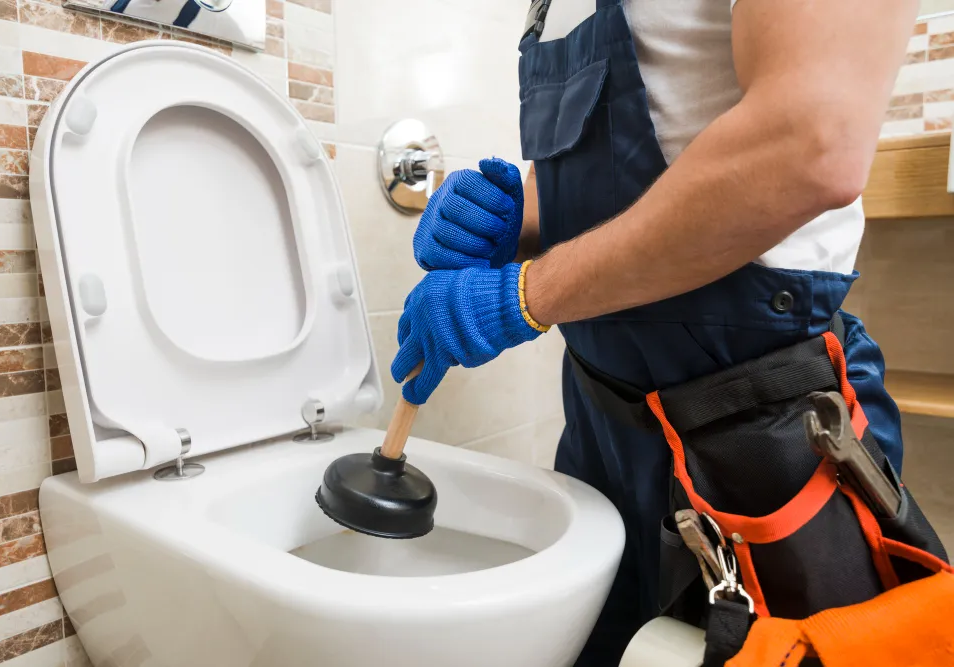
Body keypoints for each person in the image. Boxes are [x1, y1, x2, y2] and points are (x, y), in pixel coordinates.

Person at [393, 0, 921, 665]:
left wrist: (527, 294)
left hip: (757, 425)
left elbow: (809, 146)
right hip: (601, 423)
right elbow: (627, 163)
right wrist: (513, 219)